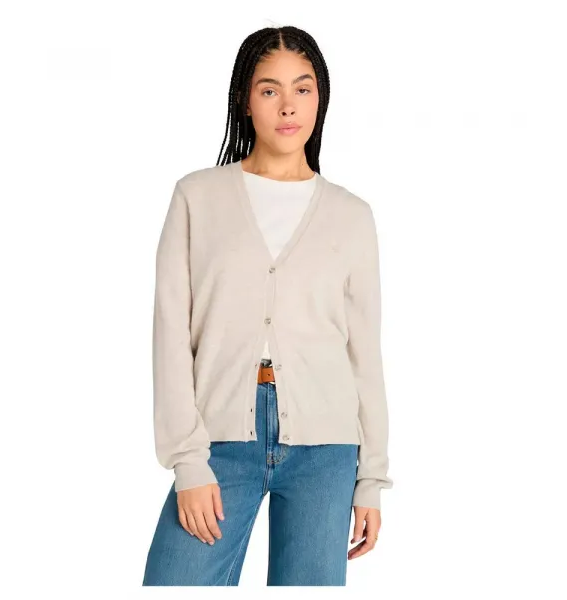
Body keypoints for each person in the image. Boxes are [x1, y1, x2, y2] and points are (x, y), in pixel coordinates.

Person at [142, 25, 393, 586]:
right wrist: (188, 461)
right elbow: (170, 334)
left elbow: (364, 354)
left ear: (320, 98)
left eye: (303, 89)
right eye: (269, 89)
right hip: (219, 437)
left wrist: (371, 479)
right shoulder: (197, 196)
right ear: (244, 100)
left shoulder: (352, 215)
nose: (288, 106)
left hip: (327, 449)